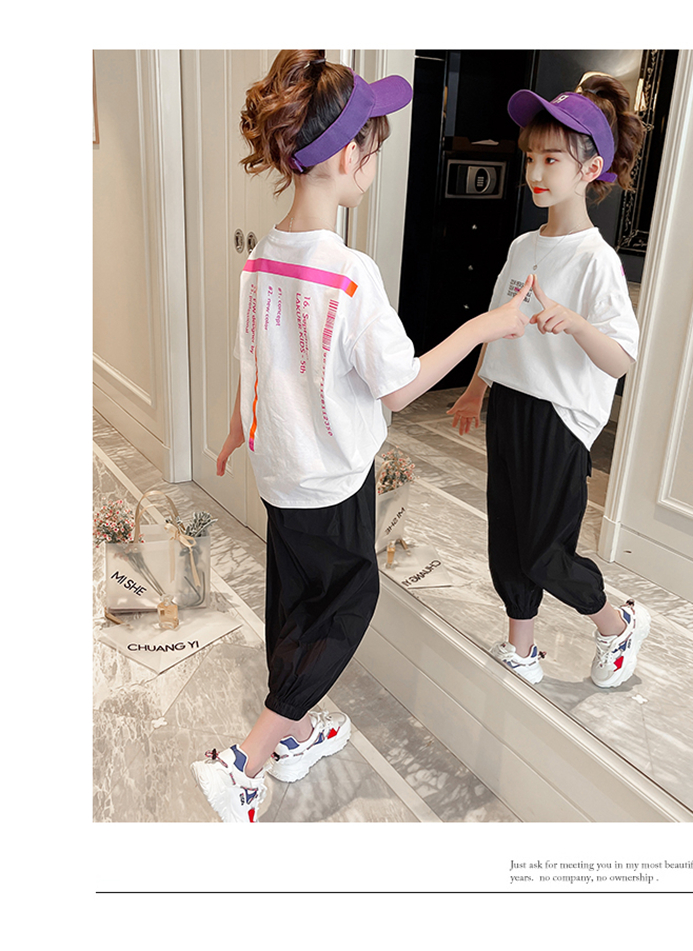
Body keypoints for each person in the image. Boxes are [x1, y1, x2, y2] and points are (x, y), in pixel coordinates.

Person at [191, 50, 532, 822]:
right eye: (373, 148)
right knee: (349, 597)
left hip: (280, 474)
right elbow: (401, 386)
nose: (372, 162)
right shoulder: (350, 273)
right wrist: (486, 325)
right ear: (350, 157)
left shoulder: (259, 258)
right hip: (334, 480)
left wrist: (234, 432)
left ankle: (297, 732)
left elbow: (252, 358)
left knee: (296, 599)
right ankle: (245, 760)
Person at [448, 75, 649, 691]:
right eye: (531, 157)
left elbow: (620, 360)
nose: (535, 171)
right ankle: (522, 646)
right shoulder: (521, 247)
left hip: (560, 420)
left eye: (552, 159)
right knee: (507, 538)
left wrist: (578, 323)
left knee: (545, 550)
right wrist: (478, 387)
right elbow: (498, 323)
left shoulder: (597, 260)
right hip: (511, 404)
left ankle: (616, 622)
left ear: (590, 169)